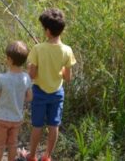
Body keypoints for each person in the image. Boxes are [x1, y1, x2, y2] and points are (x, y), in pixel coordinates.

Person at [25, 8, 76, 161]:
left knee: (37, 126)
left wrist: (31, 66)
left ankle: (32, 156)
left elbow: (32, 75)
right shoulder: (67, 50)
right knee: (54, 125)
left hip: (39, 92)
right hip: (57, 93)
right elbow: (67, 78)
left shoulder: (37, 49)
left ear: (47, 31)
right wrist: (59, 68)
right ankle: (47, 156)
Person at [0, 41, 33, 161]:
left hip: (1, 119)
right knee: (13, 143)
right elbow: (30, 97)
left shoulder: (1, 78)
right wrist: (19, 98)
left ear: (9, 59)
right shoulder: (26, 78)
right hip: (16, 119)